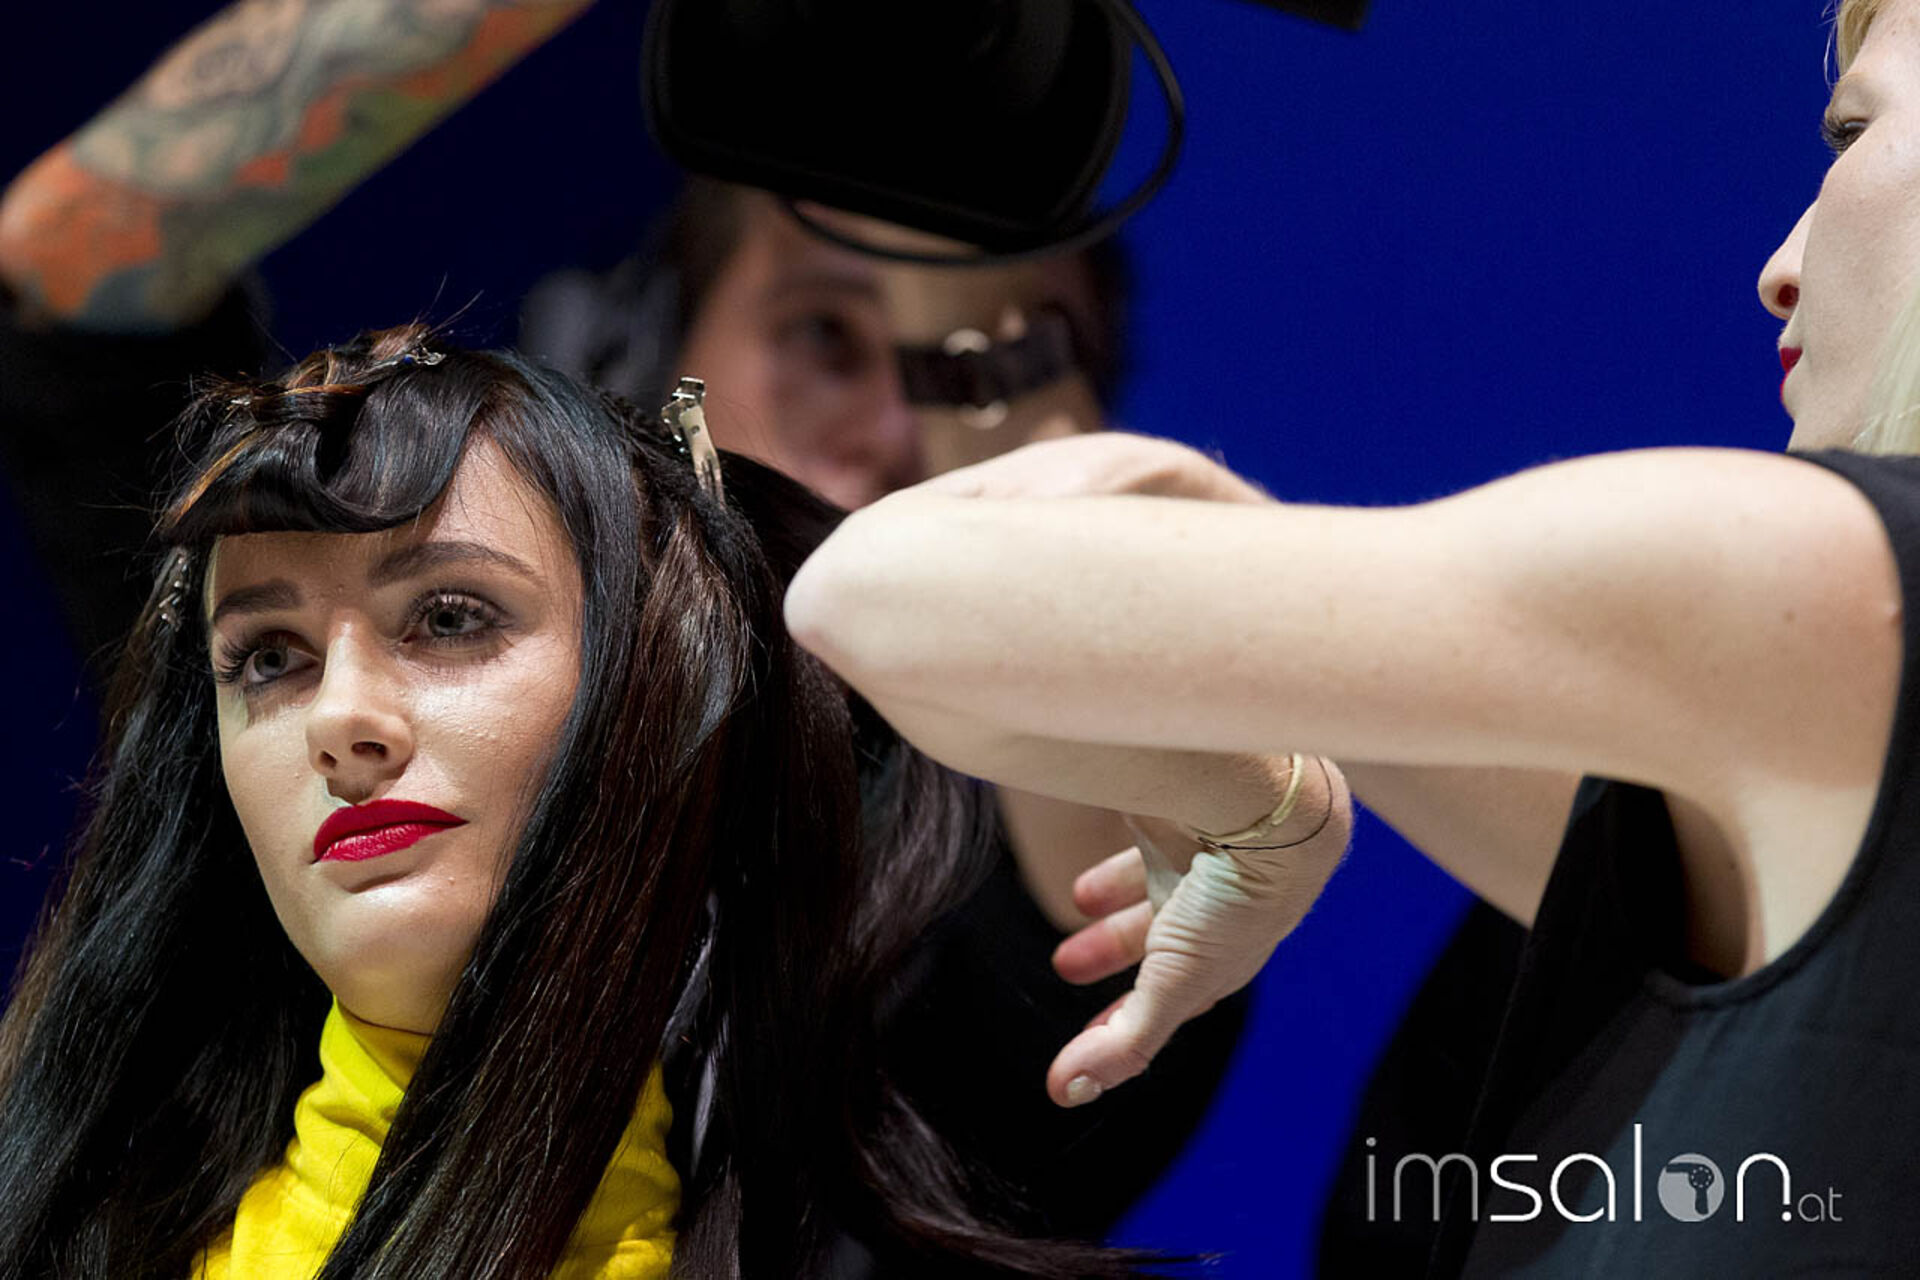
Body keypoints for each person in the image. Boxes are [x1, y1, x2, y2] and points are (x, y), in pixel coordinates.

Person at [0, 3, 1274, 1253]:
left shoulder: (1085, 885)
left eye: (1004, 353)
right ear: (649, 369)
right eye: (826, 335)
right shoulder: (330, 645)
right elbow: (81, 273)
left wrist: (964, 164)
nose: (906, 425)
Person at [785, 0, 1920, 1272]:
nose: (1780, 261)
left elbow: (867, 595)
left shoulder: (1841, 582)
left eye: (1852, 131)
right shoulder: (1830, 744)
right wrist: (1213, 536)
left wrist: (1278, 808)